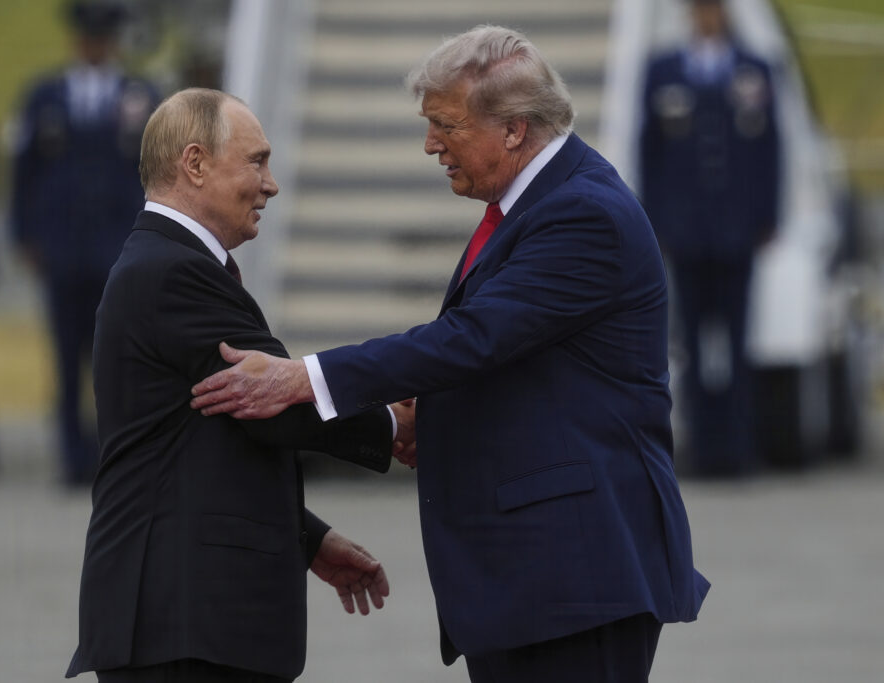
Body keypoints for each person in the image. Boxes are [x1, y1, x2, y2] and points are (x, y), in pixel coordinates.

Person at [191, 25, 710, 682]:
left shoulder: (583, 212)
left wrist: (304, 377)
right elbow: (509, 355)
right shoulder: (535, 202)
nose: (431, 143)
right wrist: (424, 419)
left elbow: (471, 339)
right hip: (539, 578)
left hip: (578, 575)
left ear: (515, 129)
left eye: (446, 125)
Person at [66, 88, 406, 683]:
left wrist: (306, 537)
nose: (271, 184)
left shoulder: (167, 263)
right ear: (194, 164)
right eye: (256, 161)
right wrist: (395, 424)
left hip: (183, 620)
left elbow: (195, 449)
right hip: (184, 625)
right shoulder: (174, 272)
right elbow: (276, 405)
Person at [11, 0, 160, 486]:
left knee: (119, 356)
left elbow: (159, 172)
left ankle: (114, 454)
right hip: (64, 246)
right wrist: (25, 233)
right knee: (66, 352)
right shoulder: (45, 95)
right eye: (87, 36)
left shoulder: (142, 94)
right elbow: (24, 171)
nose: (94, 45)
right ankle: (73, 457)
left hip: (121, 246)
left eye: (102, 37)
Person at [639, 0, 780, 477]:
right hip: (687, 231)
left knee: (738, 342)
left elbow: (769, 149)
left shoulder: (754, 69)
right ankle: (702, 447)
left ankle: (738, 447)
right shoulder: (663, 71)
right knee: (693, 343)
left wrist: (767, 215)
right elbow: (650, 153)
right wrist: (655, 222)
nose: (706, 19)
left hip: (738, 229)